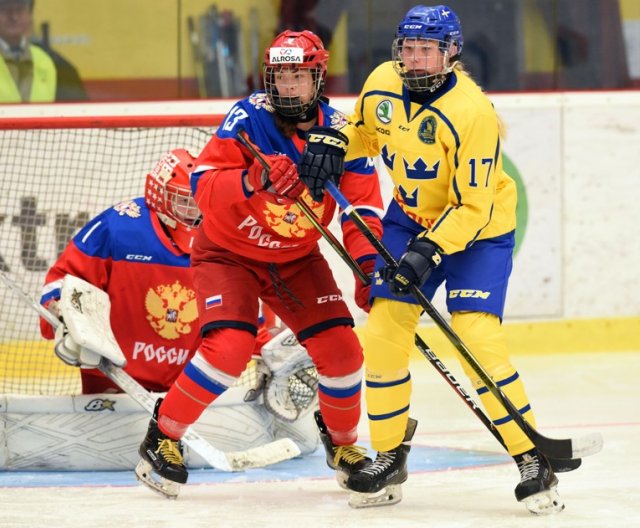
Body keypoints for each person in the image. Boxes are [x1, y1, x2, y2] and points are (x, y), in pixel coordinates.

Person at [298, 5, 568, 515]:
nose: (416, 59)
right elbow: (363, 131)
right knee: (383, 332)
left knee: (477, 339)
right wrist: (334, 140)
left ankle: (531, 456)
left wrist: (427, 251)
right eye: (409, 49)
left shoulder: (471, 112)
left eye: (428, 49)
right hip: (409, 219)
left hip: (478, 230)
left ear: (451, 53)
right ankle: (388, 455)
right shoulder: (381, 83)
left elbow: (473, 205)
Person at [135, 29, 384, 497]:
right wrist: (253, 178)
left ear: (318, 78)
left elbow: (362, 211)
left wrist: (367, 267)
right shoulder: (246, 118)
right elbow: (204, 189)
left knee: (343, 352)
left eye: (299, 77)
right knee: (229, 347)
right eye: (280, 77)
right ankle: (162, 438)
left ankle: (344, 445)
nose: (288, 87)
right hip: (228, 253)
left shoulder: (343, 134)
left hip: (295, 259)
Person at [38, 149, 319, 460]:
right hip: (113, 380)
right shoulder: (119, 227)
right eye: (185, 200)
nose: (195, 211)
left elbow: (234, 311)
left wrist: (264, 346)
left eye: (200, 199)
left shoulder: (227, 233)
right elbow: (61, 282)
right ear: (158, 194)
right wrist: (63, 314)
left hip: (184, 383)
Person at [0, 0, 86, 103]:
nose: (14, 17)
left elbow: (76, 110)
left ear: (30, 16)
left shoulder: (54, 63)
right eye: (5, 10)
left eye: (20, 10)